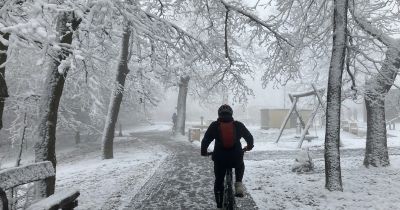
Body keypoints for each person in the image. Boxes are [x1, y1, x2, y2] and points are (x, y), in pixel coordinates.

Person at [201, 104, 254, 209]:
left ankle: (219, 203)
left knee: (219, 180)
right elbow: (249, 137)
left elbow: (205, 140)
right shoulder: (238, 125)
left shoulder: (214, 126)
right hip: (236, 157)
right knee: (240, 164)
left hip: (220, 159)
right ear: (231, 113)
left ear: (219, 114)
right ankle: (238, 184)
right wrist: (248, 147)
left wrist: (204, 152)